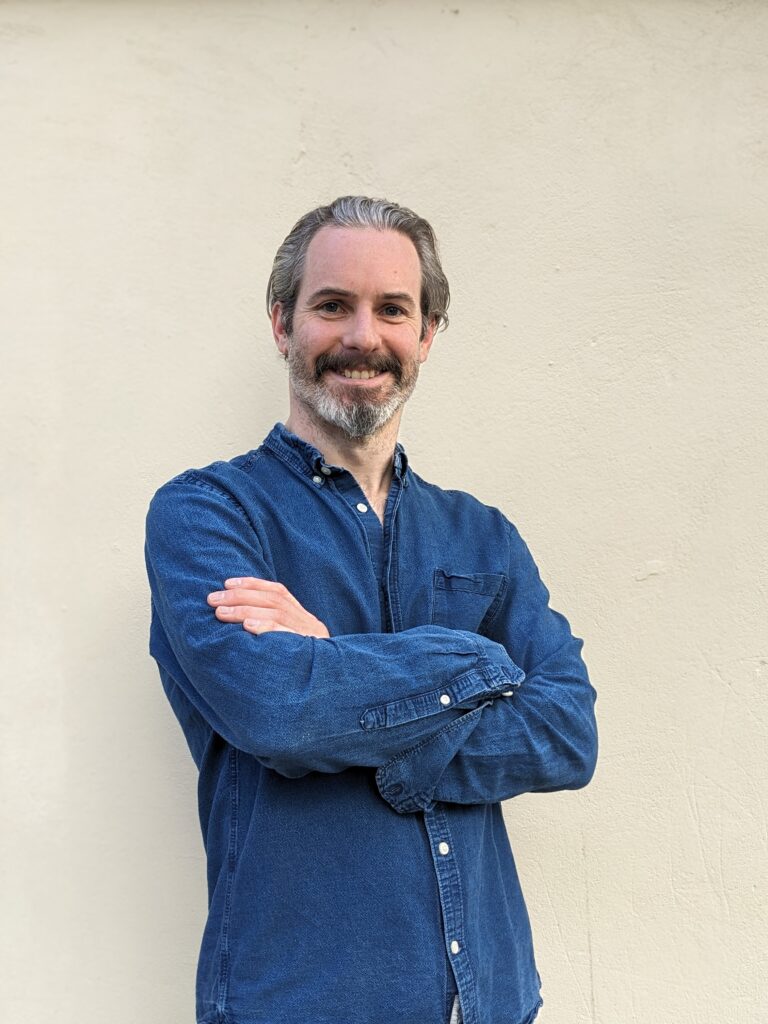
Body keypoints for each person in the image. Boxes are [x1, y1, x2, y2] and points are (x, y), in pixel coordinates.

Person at [144, 195, 598, 1024]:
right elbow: (278, 710)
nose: (363, 337)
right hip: (300, 1003)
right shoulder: (208, 515)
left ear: (426, 335)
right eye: (331, 306)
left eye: (393, 309)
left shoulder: (483, 535)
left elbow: (568, 733)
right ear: (283, 324)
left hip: (492, 1000)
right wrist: (484, 666)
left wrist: (336, 663)